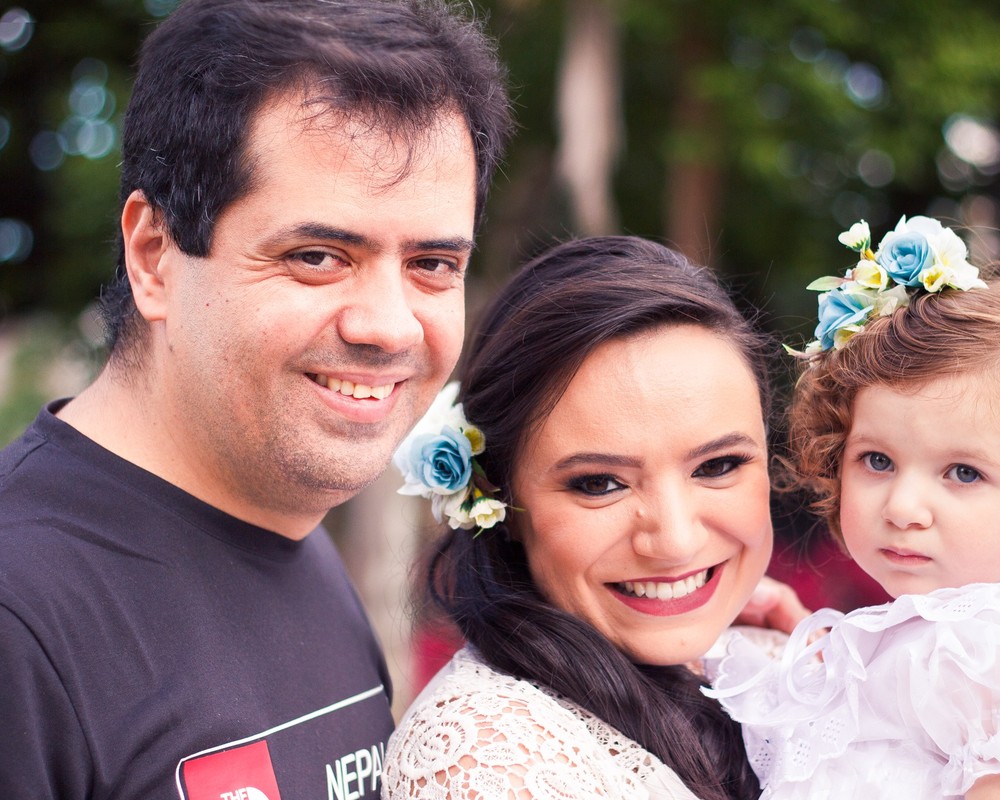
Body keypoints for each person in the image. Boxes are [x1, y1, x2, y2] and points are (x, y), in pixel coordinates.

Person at [0, 1, 512, 797]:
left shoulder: (285, 524)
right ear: (155, 256)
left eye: (434, 264)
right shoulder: (22, 614)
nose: (387, 326)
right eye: (317, 255)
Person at [706, 216, 1000, 799]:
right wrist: (816, 657)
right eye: (877, 461)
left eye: (963, 473)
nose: (904, 507)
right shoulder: (937, 641)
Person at [382, 236, 786, 800]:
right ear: (499, 497)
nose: (672, 540)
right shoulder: (491, 760)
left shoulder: (781, 666)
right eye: (599, 484)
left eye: (717, 466)